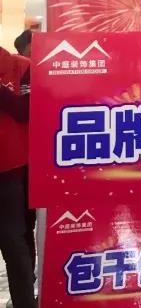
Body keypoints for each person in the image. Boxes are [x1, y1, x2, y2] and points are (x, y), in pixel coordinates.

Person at [0, 32, 35, 308]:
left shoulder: (21, 66)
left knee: (15, 240)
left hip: (11, 170)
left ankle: (24, 301)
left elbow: (26, 110)